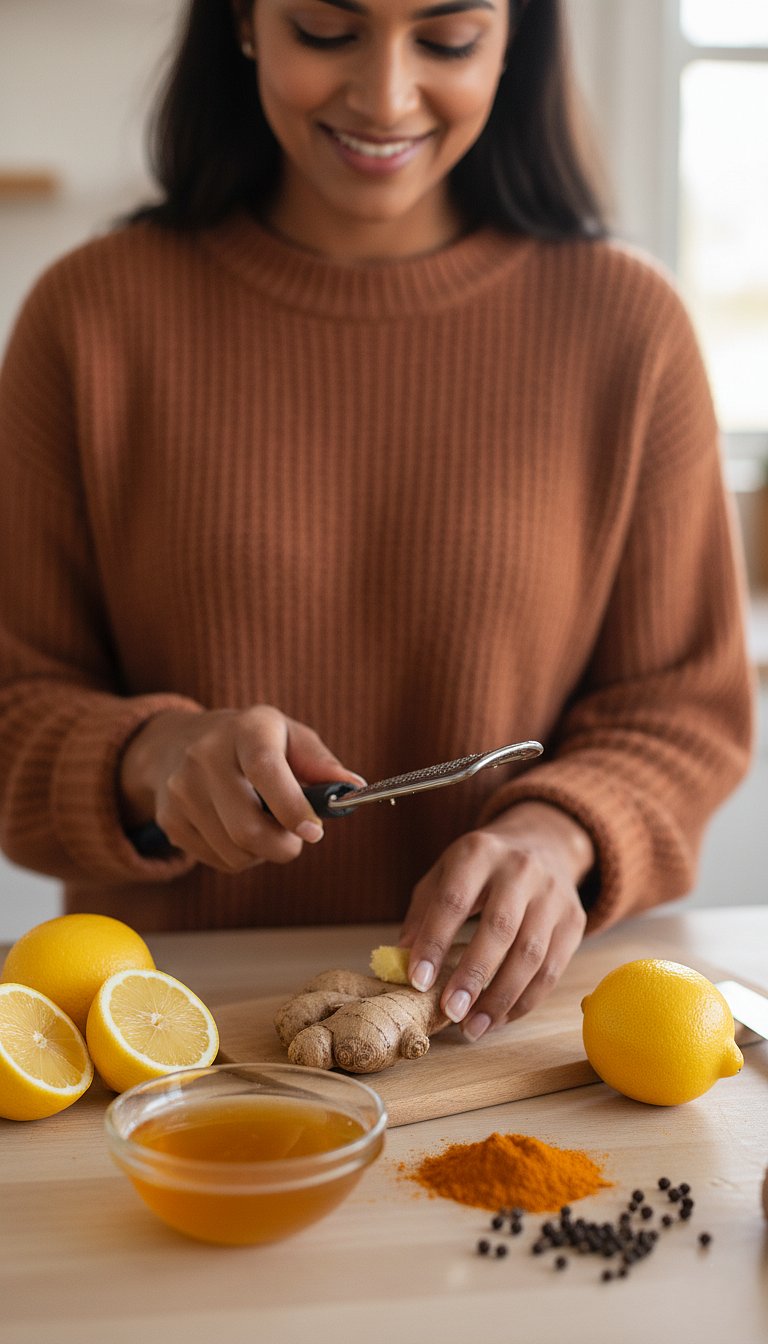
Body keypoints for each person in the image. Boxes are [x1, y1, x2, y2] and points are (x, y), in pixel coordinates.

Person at [0, 0, 753, 1044]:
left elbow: (683, 711)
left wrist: (559, 830)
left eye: (447, 39)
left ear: (515, 38)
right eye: (325, 29)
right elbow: (15, 700)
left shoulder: (631, 329)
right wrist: (150, 754)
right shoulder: (86, 320)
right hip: (170, 1047)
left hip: (506, 1041)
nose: (387, 96)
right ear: (245, 21)